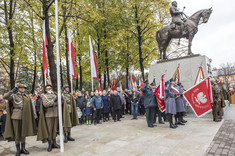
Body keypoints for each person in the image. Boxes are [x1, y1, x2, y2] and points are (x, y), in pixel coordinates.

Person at [4, 84, 37, 156]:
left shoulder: (26, 96)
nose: (22, 89)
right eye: (21, 88)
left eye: (23, 88)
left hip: (25, 116)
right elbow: (5, 97)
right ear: (18, 88)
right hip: (16, 116)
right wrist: (11, 91)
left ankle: (23, 148)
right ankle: (18, 150)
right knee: (17, 133)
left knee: (23, 133)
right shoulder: (14, 96)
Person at [37, 84, 70, 152]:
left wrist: (60, 98)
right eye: (48, 89)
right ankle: (50, 144)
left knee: (54, 129)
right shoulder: (44, 96)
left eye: (50, 88)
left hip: (55, 113)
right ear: (45, 90)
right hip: (49, 114)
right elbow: (46, 104)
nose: (49, 89)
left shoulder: (55, 95)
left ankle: (54, 142)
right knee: (49, 130)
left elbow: (60, 103)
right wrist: (54, 101)